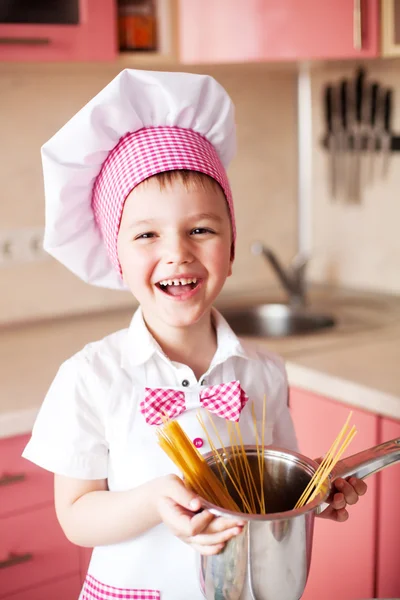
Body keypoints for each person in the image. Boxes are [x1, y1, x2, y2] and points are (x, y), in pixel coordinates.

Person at [22, 69, 367, 600]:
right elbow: (75, 515)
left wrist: (314, 493)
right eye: (146, 235)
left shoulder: (263, 372)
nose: (177, 252)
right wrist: (153, 500)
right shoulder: (89, 377)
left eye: (201, 229)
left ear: (231, 248)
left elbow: (273, 492)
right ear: (117, 256)